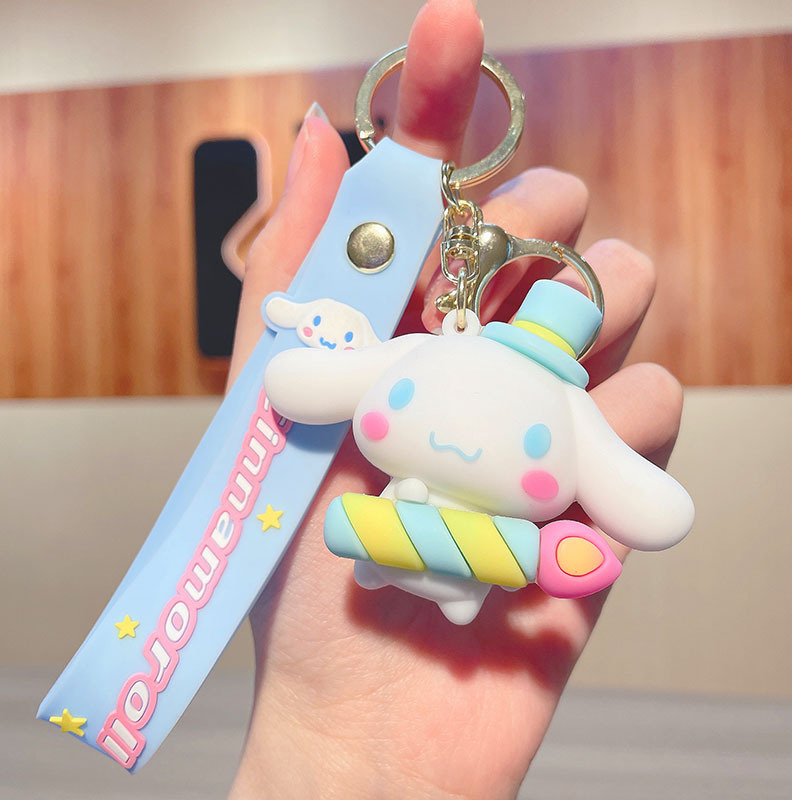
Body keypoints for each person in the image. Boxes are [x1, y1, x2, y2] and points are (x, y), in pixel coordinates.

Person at [226, 0, 682, 796]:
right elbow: (309, 382)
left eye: (535, 448)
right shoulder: (430, 353)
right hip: (386, 537)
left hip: (466, 569)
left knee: (456, 588)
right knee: (393, 558)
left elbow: (642, 507)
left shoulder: (523, 400)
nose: (464, 442)